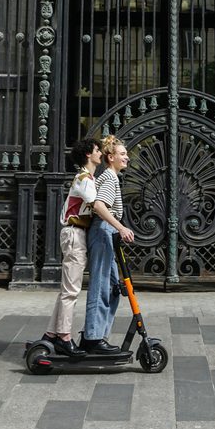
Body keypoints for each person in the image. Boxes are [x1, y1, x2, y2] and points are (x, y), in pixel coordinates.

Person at [42, 137, 102, 356]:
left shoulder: (86, 178)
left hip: (75, 234)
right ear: (88, 154)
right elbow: (96, 204)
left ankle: (50, 334)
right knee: (71, 291)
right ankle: (64, 338)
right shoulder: (85, 179)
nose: (100, 154)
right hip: (75, 234)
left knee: (67, 290)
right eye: (97, 150)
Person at [80, 134, 135, 355]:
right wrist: (121, 227)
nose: (127, 158)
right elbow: (100, 206)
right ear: (110, 157)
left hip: (105, 233)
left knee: (113, 288)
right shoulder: (110, 178)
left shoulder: (109, 177)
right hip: (103, 232)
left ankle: (97, 335)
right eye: (122, 154)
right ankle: (93, 338)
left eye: (126, 154)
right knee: (101, 286)